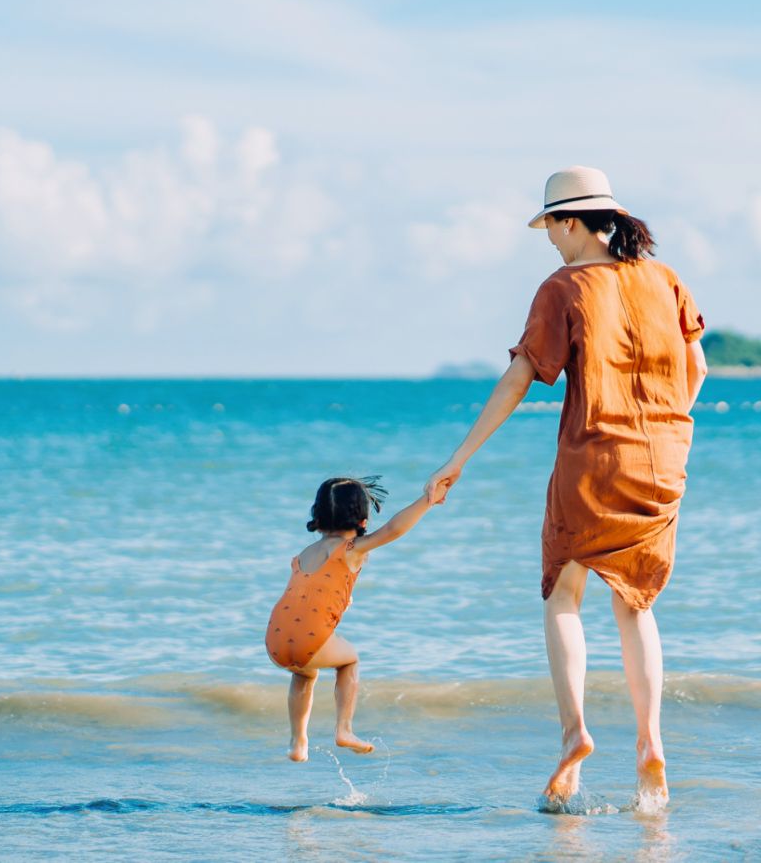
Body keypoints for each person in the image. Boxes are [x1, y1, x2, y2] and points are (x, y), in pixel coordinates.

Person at [426, 166, 706, 810]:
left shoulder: (564, 286)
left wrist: (458, 458)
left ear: (572, 222)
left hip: (594, 456)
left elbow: (521, 377)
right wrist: (668, 425)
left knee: (563, 594)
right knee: (636, 602)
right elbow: (699, 367)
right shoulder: (665, 280)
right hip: (665, 461)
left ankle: (575, 733)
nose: (549, 239)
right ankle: (650, 743)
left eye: (550, 225)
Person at [265, 475, 444, 762]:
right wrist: (427, 500)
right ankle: (344, 729)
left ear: (318, 517)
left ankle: (298, 742)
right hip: (309, 640)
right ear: (362, 519)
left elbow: (309, 596)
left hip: (275, 640)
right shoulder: (352, 550)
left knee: (305, 672)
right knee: (350, 660)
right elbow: (395, 528)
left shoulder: (303, 554)